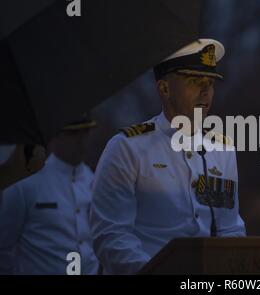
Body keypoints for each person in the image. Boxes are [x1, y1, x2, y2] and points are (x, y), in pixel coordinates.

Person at [90, 38, 246, 274]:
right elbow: (111, 235)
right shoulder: (127, 148)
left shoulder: (222, 149)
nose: (206, 91)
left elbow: (230, 228)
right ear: (164, 88)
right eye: (195, 81)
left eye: (210, 83)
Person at [0, 115, 99, 274]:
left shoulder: (96, 182)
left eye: (86, 132)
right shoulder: (27, 182)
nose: (81, 140)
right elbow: (3, 246)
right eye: (73, 134)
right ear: (55, 135)